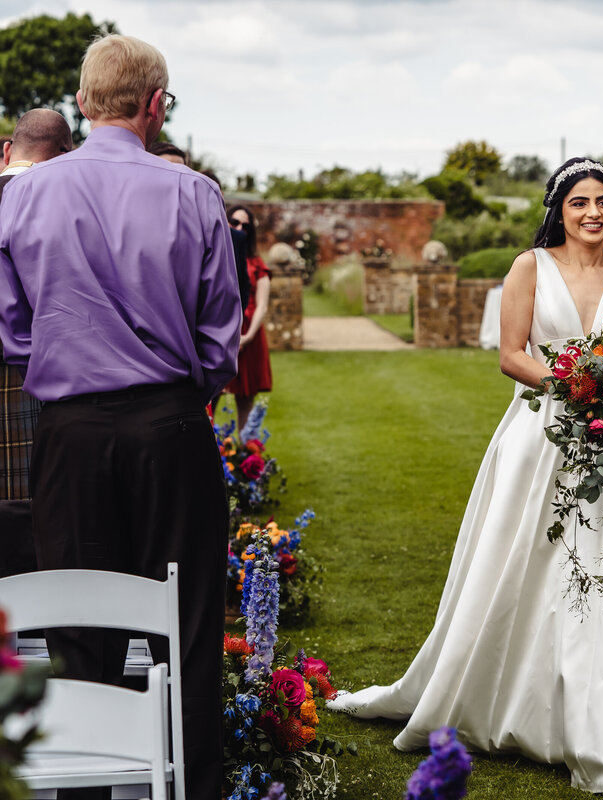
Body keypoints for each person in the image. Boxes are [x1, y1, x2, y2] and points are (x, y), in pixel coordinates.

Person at [327, 158, 603, 793]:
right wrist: (575, 382)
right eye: (580, 203)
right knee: (527, 562)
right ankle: (517, 696)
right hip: (540, 431)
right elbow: (510, 354)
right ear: (559, 210)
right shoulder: (529, 266)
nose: (593, 213)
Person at [0, 35, 240, 800]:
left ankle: (83, 790)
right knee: (192, 622)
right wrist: (174, 389)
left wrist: (71, 354)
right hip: (171, 429)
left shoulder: (22, 195)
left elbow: (9, 328)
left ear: (81, 102)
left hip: (69, 432)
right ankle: (193, 787)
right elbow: (219, 340)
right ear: (155, 105)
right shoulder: (195, 194)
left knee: (75, 624)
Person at [0, 108, 72, 579]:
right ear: (66, 155)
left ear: (7, 150)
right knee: (34, 513)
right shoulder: (62, 202)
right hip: (33, 374)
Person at [225, 204, 274, 430]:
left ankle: (246, 461)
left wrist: (248, 336)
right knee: (211, 402)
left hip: (250, 335)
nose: (239, 228)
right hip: (224, 335)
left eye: (245, 225)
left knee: (246, 405)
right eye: (234, 222)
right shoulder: (217, 256)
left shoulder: (256, 263)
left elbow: (262, 305)